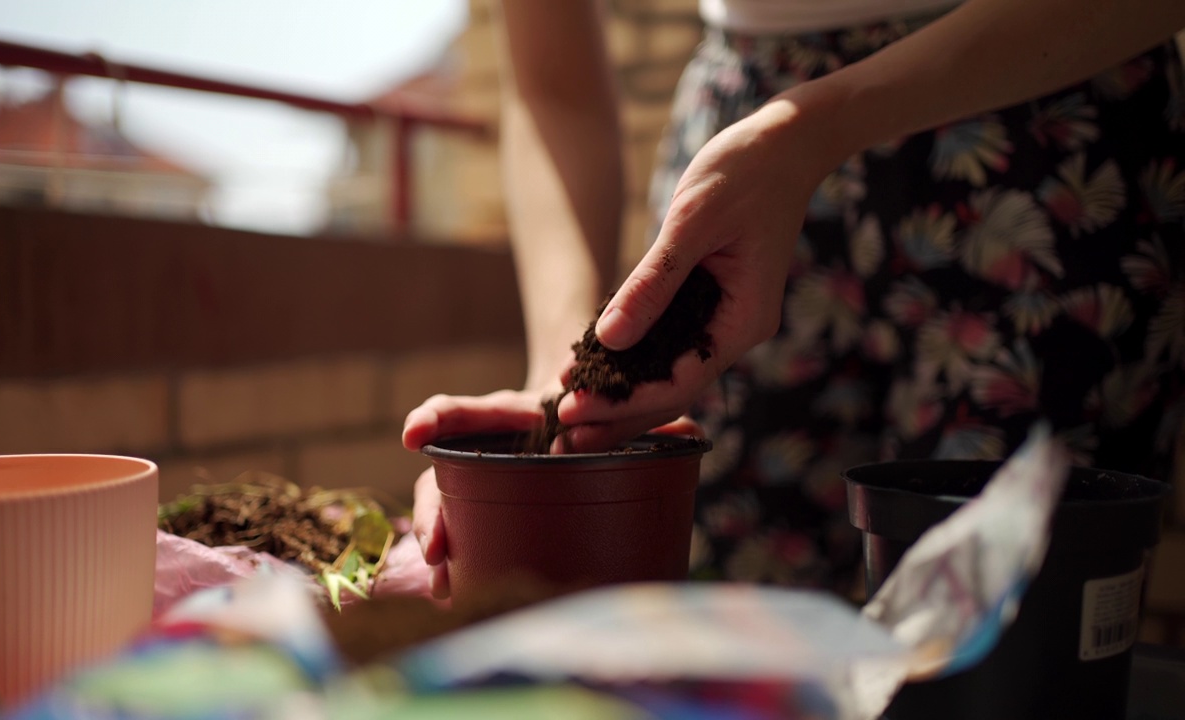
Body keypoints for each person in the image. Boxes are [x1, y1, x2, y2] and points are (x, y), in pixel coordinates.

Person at [403, 0, 1185, 599]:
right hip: (741, 184)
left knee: (1009, 631)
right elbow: (555, 89)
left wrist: (813, 128)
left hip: (1040, 123)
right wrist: (564, 387)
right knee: (743, 629)